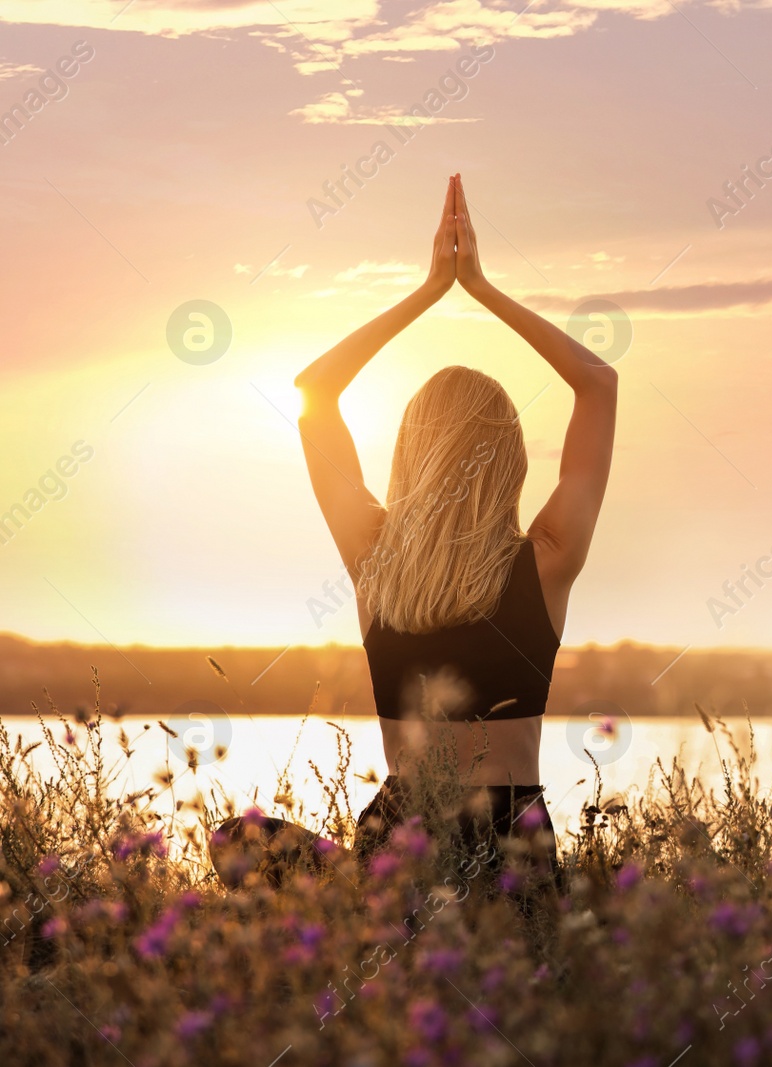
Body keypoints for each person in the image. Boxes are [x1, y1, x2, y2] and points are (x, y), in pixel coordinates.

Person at [209, 174, 618, 890]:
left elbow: (314, 391)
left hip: (397, 848)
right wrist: (480, 288)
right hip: (509, 848)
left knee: (239, 839)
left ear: (409, 456)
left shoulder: (375, 560)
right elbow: (598, 384)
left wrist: (428, 291)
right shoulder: (547, 560)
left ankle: (346, 934)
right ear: (510, 462)